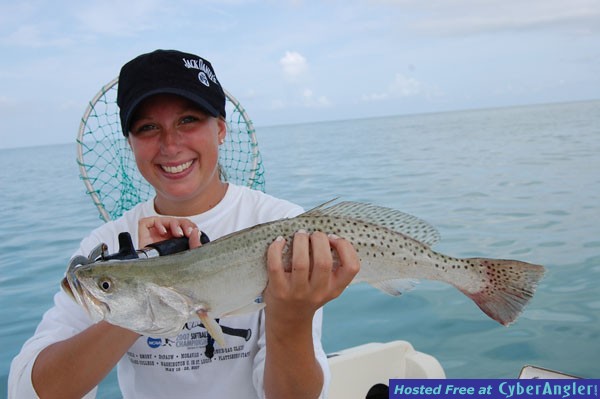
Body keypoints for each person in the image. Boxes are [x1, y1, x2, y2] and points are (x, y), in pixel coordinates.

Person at [9, 49, 360, 399]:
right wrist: (137, 303)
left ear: (220, 129)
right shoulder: (106, 247)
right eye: (147, 127)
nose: (170, 144)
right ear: (130, 144)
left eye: (188, 120)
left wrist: (293, 319)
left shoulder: (284, 227)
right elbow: (26, 392)